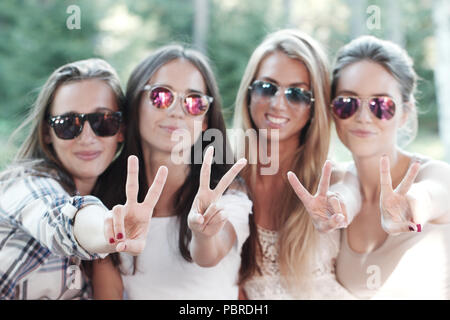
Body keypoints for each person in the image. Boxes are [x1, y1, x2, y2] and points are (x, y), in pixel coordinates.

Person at [92, 45, 252, 300]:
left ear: (206, 122)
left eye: (195, 101)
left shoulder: (226, 193)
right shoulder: (106, 199)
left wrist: (203, 234)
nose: (177, 111)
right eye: (161, 96)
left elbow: (210, 254)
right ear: (134, 105)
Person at [0, 59, 167, 300]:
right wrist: (107, 230)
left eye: (103, 121)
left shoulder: (116, 197)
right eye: (68, 124)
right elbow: (57, 219)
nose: (87, 137)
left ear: (121, 129)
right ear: (47, 132)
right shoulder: (26, 184)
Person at [233, 29, 358, 299]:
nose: (278, 104)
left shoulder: (334, 179)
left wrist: (338, 208)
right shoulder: (226, 180)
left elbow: (349, 197)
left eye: (298, 94)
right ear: (249, 93)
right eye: (267, 87)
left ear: (316, 107)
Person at [328, 35, 450, 299]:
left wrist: (411, 206)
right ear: (332, 111)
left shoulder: (436, 174)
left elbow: (430, 195)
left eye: (381, 105)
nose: (362, 117)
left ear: (405, 112)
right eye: (347, 103)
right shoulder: (337, 184)